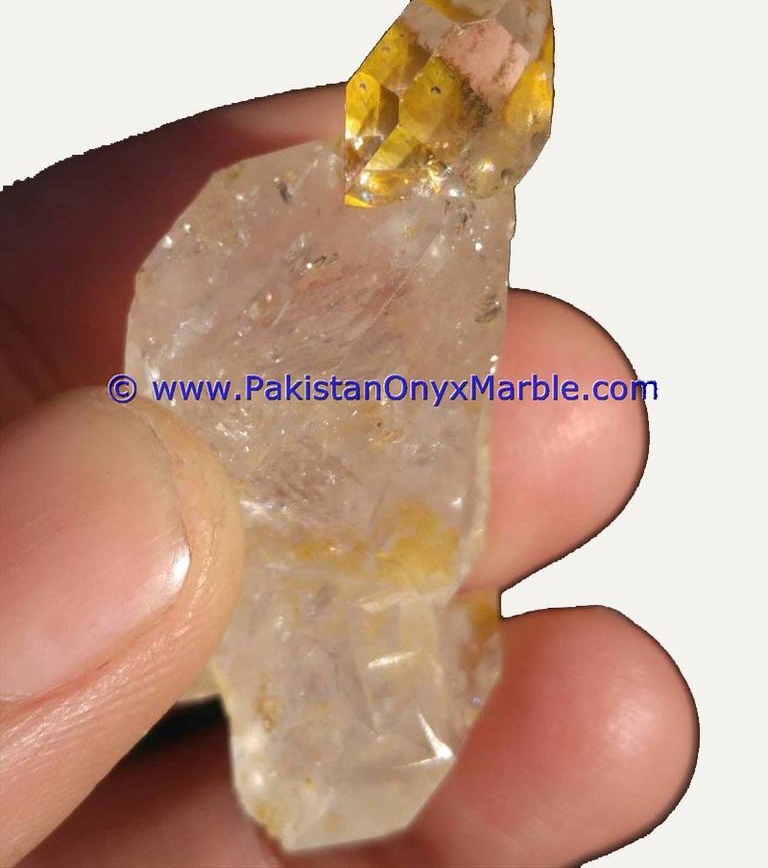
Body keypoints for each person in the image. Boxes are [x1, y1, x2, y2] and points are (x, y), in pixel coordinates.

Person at [0, 86, 697, 867]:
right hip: (234, 531)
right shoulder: (292, 207)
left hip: (318, 557)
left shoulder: (437, 241)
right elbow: (182, 343)